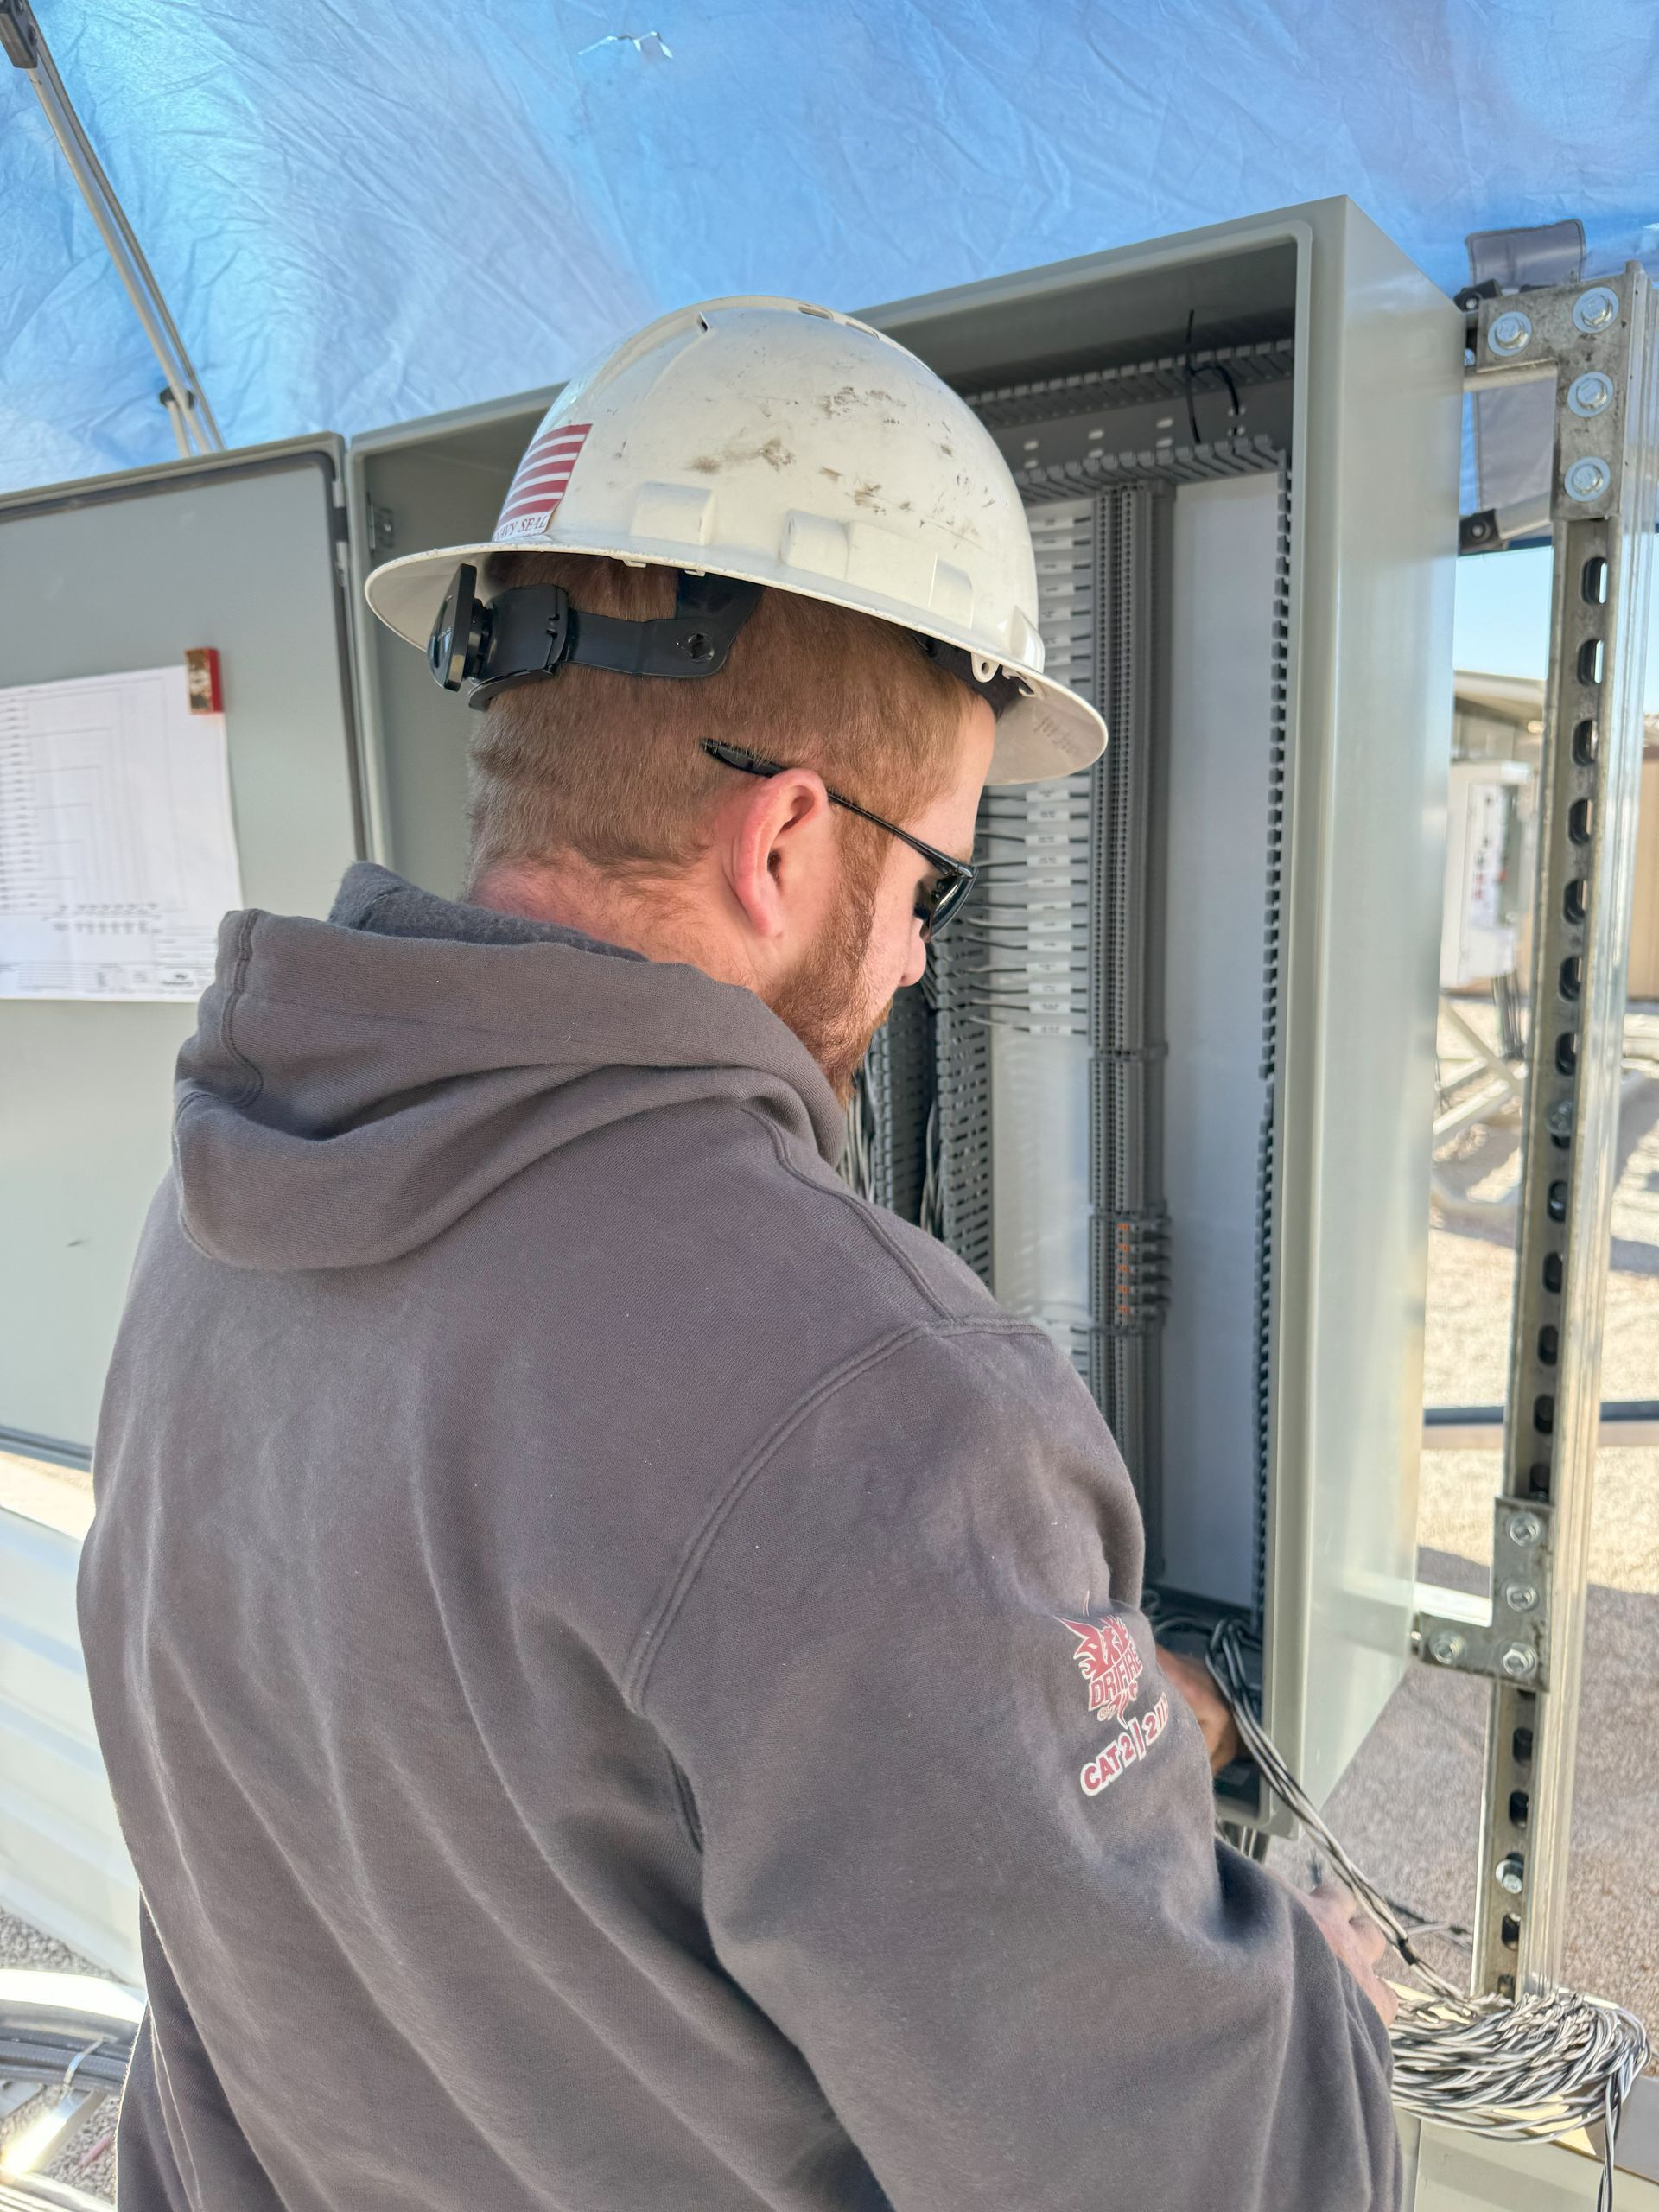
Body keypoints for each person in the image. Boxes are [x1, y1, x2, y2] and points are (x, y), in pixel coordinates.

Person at [79, 297, 1400, 2212]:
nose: (926, 953)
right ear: (784, 837)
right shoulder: (880, 1412)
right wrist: (1321, 2017)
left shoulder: (216, 1219)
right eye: (934, 880)